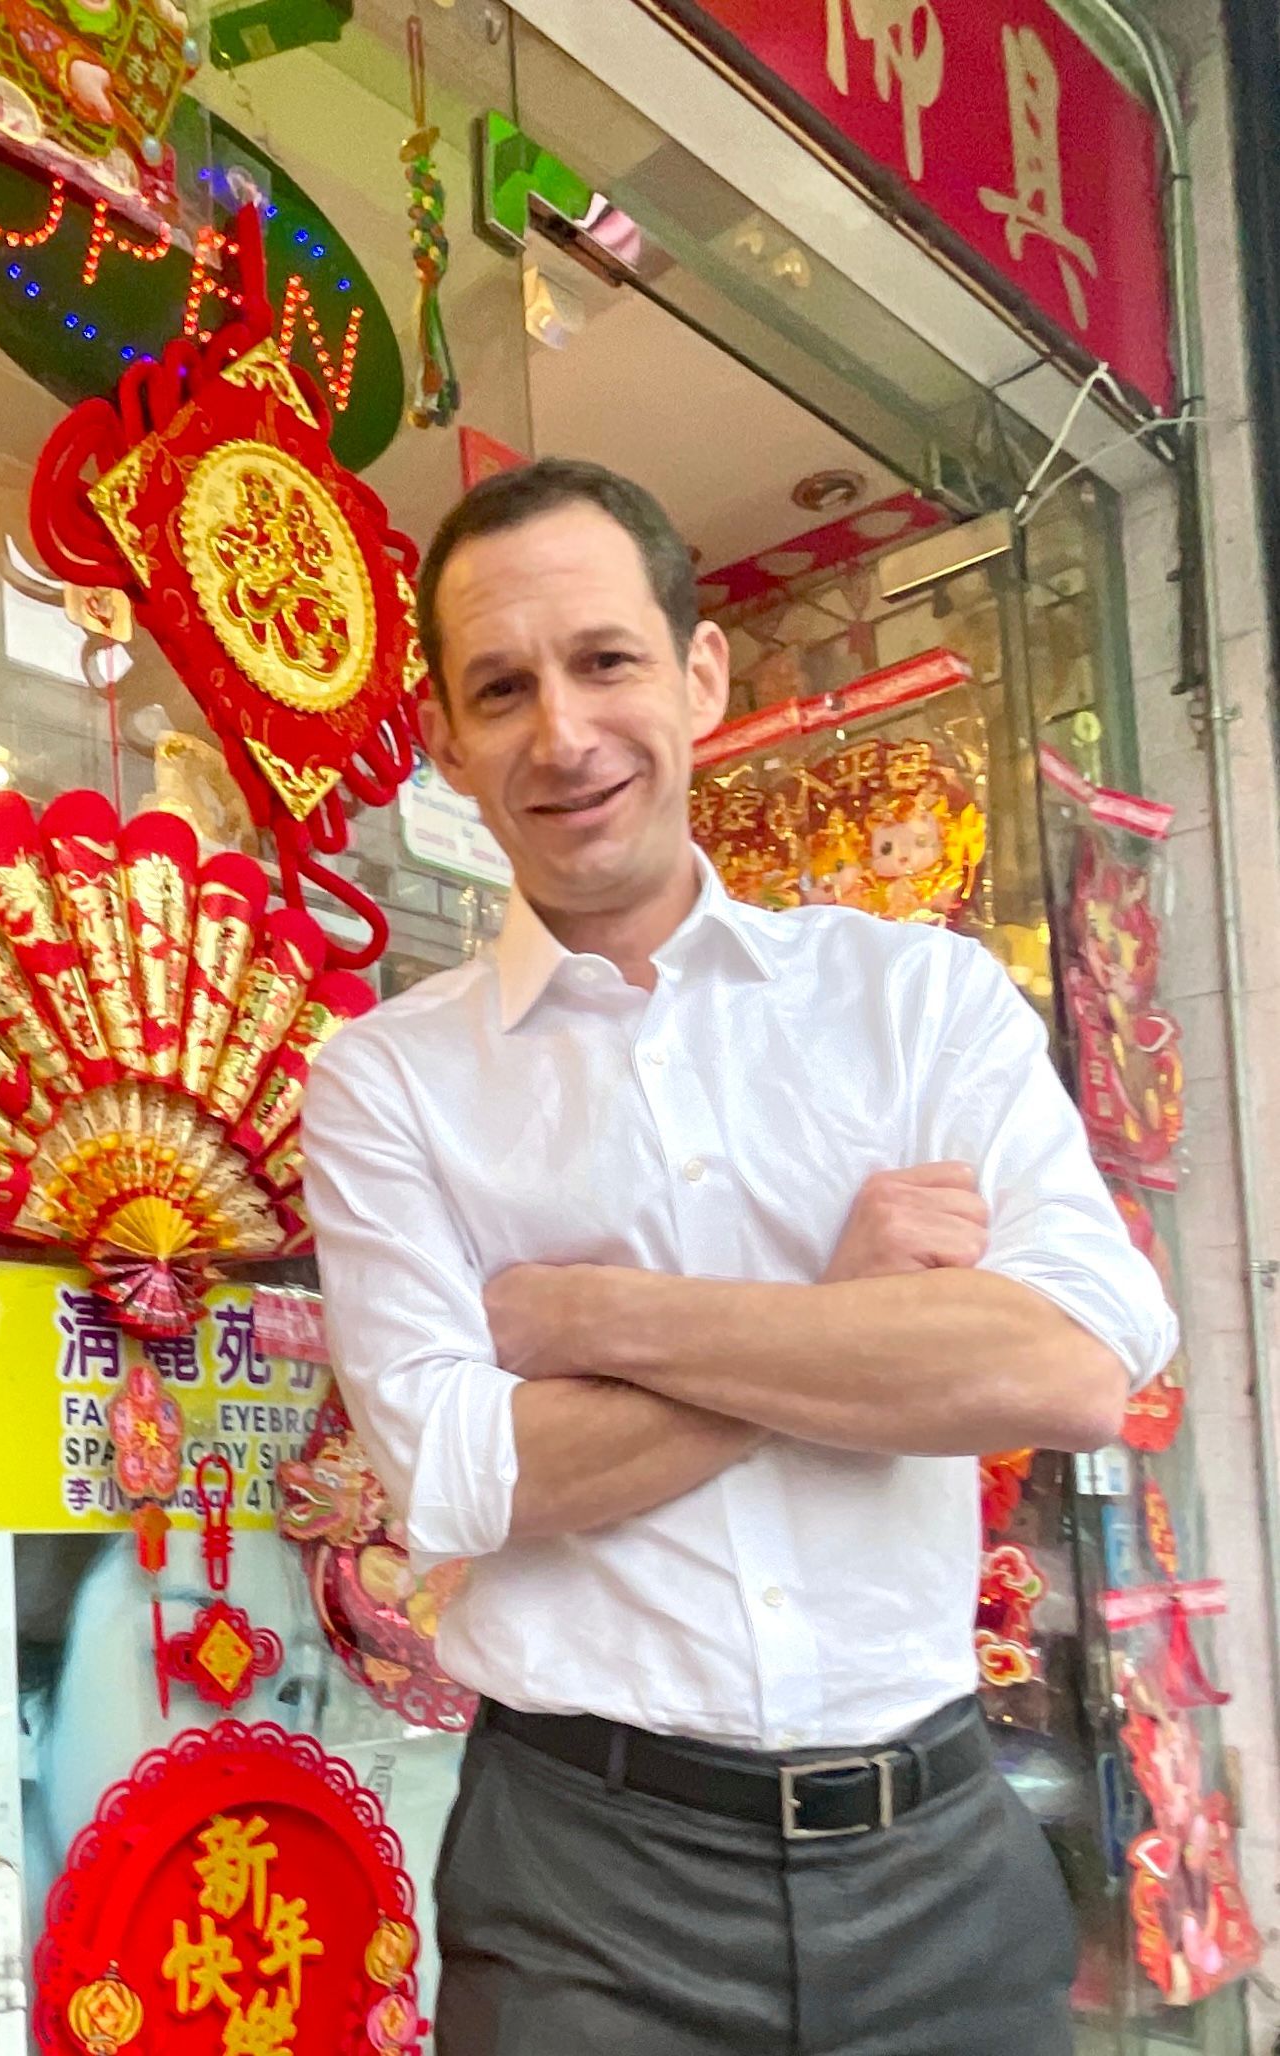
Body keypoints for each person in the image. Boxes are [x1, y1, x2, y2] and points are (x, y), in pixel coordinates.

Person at [300, 458, 1168, 2055]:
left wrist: (596, 1319)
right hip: (583, 1886)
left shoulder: (917, 1000)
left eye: (605, 660)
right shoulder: (384, 1082)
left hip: (937, 1862)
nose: (560, 734)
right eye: (501, 687)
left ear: (698, 676)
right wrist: (850, 1331)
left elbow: (1062, 1366)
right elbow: (456, 1481)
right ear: (444, 735)